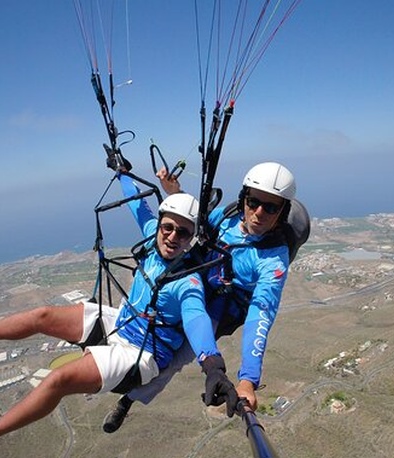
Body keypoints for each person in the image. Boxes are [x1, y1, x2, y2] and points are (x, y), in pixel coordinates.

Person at [0, 184, 238, 458]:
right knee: (43, 316)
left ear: (191, 238)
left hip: (140, 355)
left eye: (183, 233)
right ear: (159, 226)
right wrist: (123, 172)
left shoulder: (189, 285)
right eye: (168, 227)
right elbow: (137, 205)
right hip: (120, 321)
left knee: (58, 380)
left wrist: (213, 367)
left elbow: (197, 321)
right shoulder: (151, 242)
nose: (172, 236)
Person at [102, 161, 299, 433]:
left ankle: (128, 401)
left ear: (283, 211)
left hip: (217, 307)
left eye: (271, 207)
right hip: (187, 279)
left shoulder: (273, 259)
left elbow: (261, 313)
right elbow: (190, 224)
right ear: (244, 199)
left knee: (174, 360)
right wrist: (145, 183)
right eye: (253, 202)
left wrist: (248, 380)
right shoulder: (228, 216)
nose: (259, 213)